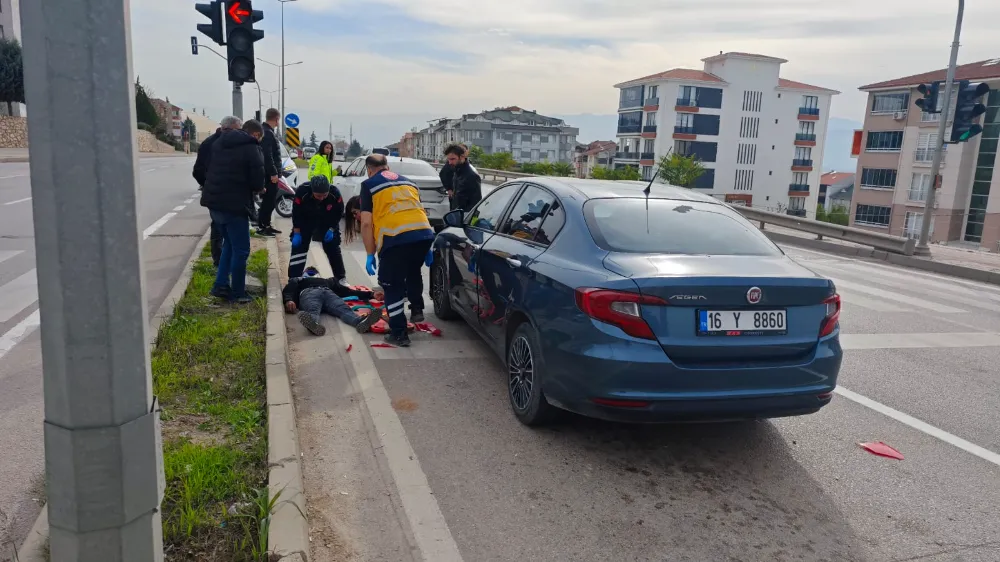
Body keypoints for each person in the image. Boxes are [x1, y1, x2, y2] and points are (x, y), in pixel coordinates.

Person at [351, 154, 435, 347]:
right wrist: (427, 247)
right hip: (423, 234)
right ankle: (416, 309)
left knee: (391, 286)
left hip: (396, 239)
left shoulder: (369, 185)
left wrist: (370, 253)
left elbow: (365, 223)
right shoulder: (409, 182)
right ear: (387, 167)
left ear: (369, 170)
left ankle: (399, 334)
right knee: (413, 271)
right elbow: (419, 210)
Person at [200, 119, 266, 303]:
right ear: (255, 134)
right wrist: (259, 188)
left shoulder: (218, 142)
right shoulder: (250, 146)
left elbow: (205, 169)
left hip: (214, 202)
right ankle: (238, 293)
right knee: (241, 250)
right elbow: (257, 180)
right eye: (259, 137)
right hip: (234, 204)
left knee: (229, 244)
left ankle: (220, 285)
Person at [193, 115, 242, 267]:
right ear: (230, 128)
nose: (240, 133)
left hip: (214, 193)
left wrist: (208, 185)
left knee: (218, 226)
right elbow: (198, 171)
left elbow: (198, 171)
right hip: (224, 193)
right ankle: (222, 259)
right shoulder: (218, 144)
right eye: (238, 130)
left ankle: (219, 259)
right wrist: (209, 184)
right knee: (222, 227)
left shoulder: (209, 142)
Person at [282, 266, 384, 336]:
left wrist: (371, 294)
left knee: (344, 309)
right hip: (310, 293)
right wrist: (288, 300)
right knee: (314, 309)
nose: (311, 274)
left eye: (312, 272)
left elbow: (347, 291)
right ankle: (313, 324)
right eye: (309, 272)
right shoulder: (299, 281)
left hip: (327, 293)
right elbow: (289, 290)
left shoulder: (327, 281)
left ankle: (360, 323)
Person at [289, 175, 347, 283]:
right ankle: (293, 279)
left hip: (327, 222)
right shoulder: (302, 191)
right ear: (312, 190)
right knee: (299, 248)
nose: (321, 198)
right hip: (306, 221)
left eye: (324, 195)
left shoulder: (334, 193)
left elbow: (338, 212)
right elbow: (296, 212)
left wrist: (331, 229)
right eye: (318, 195)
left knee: (333, 247)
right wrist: (297, 232)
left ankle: (341, 278)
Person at [256, 108, 284, 237]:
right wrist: (273, 173)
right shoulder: (267, 133)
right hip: (269, 175)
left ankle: (266, 224)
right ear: (277, 119)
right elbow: (268, 155)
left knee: (270, 200)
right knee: (269, 201)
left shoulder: (265, 131)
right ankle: (263, 226)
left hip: (268, 173)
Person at [443, 143, 482, 211]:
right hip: (456, 215)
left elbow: (476, 203)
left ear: (462, 157)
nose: (450, 162)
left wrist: (466, 218)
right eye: (448, 159)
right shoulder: (457, 173)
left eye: (452, 159)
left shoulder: (471, 176)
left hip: (465, 218)